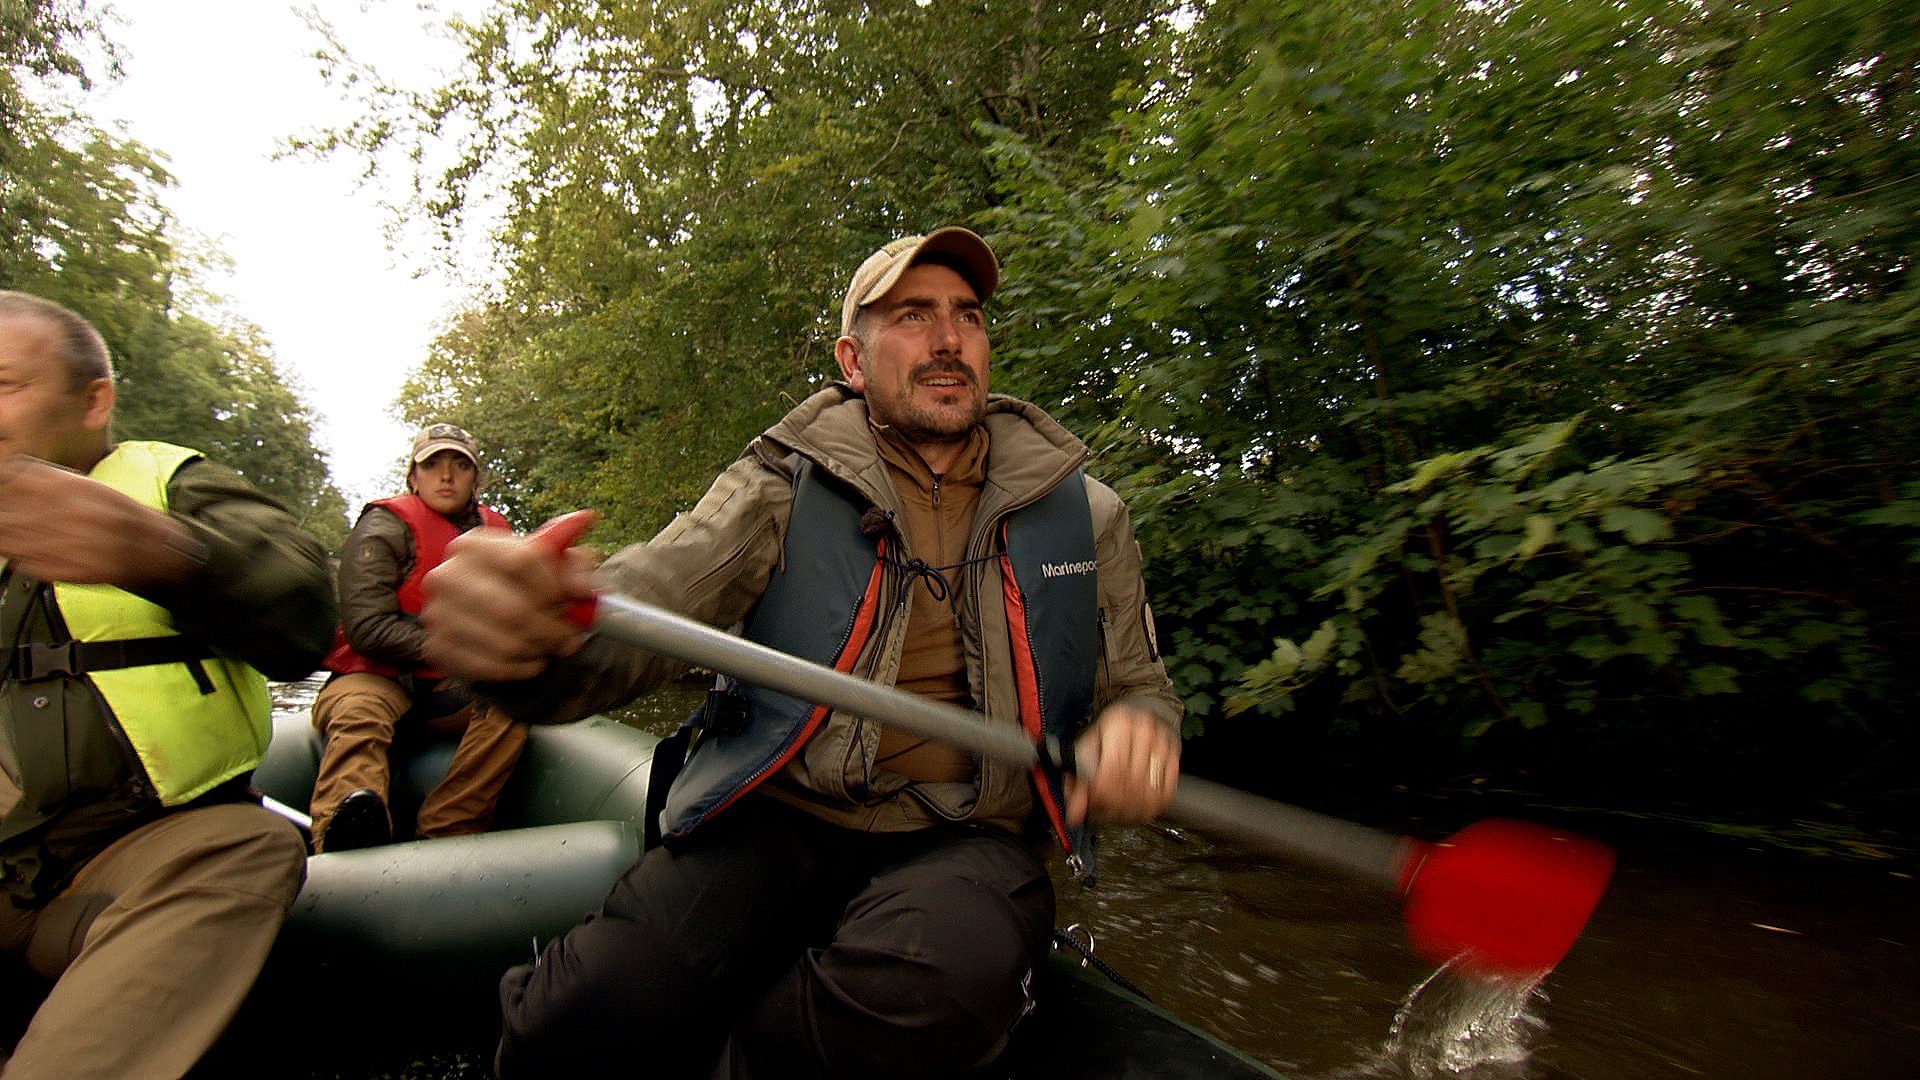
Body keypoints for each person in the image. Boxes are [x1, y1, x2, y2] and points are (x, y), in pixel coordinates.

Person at [420, 227, 1184, 1079]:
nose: (947, 338)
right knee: (580, 1015)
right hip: (780, 815)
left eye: (967, 316)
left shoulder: (1088, 513)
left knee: (940, 980)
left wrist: (1142, 732)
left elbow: (1141, 689)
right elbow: (648, 603)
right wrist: (536, 641)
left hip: (969, 834)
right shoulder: (778, 486)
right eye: (912, 315)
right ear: (852, 362)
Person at [0, 291, 335, 1077]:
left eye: (4, 384)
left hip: (138, 848)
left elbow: (305, 612)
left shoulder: (170, 484)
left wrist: (160, 552)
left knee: (249, 843)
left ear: (95, 401)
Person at [307, 424, 527, 852]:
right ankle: (342, 831)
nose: (446, 476)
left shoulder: (496, 535)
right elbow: (368, 629)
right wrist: (460, 651)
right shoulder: (383, 527)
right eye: (433, 465)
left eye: (459, 466)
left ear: (474, 479)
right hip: (373, 676)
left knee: (512, 705)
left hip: (442, 688)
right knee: (359, 714)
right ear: (414, 477)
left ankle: (449, 827)